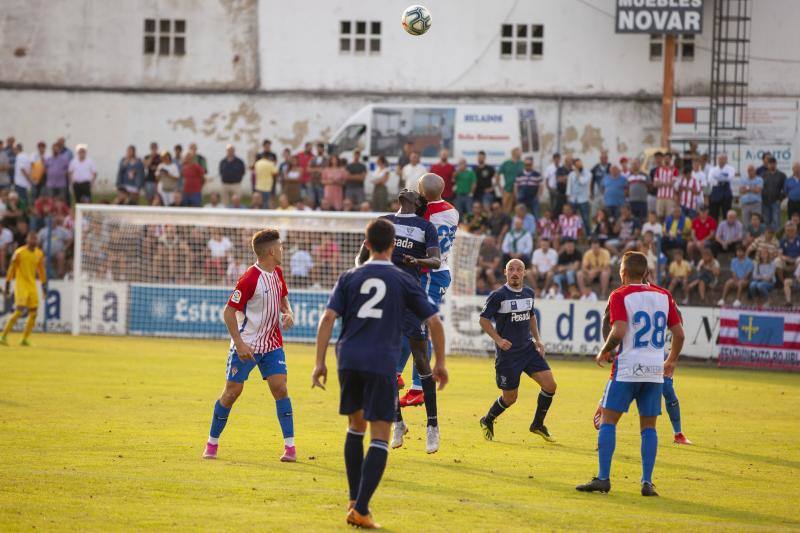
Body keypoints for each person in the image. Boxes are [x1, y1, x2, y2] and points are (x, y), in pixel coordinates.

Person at [312, 218, 446, 529]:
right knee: (381, 436)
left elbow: (328, 318)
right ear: (393, 245)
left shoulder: (349, 276)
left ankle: (352, 500)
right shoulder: (402, 280)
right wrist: (439, 364)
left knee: (355, 428)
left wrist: (319, 362)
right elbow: (435, 323)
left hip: (348, 359)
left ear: (367, 243)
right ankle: (361, 508)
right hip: (381, 361)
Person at [577, 251, 684, 497]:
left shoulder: (620, 294)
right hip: (654, 371)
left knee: (608, 422)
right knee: (649, 428)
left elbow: (619, 329)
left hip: (627, 369)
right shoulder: (664, 296)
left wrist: (604, 351)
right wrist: (671, 361)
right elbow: (679, 334)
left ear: (622, 273)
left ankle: (603, 478)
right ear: (646, 273)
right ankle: (647, 482)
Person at [356, 190, 442, 451]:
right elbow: (361, 258)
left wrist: (418, 260)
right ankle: (397, 422)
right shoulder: (383, 221)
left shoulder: (426, 226)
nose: (406, 190)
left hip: (411, 297)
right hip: (385, 300)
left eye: (412, 191)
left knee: (421, 359)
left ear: (418, 203)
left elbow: (436, 260)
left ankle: (432, 426)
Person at [203, 229, 297, 463]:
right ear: (272, 251)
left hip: (272, 344)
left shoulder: (277, 272)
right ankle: (212, 443)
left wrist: (289, 312)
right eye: (281, 247)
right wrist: (239, 343)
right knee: (232, 392)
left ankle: (290, 448)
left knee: (280, 388)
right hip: (248, 345)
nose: (283, 250)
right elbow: (228, 312)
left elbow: (283, 296)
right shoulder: (249, 279)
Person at [396, 174, 459, 408]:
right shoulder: (452, 211)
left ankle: (418, 387)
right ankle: (397, 373)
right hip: (435, 271)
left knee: (420, 328)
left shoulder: (425, 215)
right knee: (408, 324)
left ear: (422, 192)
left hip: (430, 273)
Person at [478, 258, 557, 442]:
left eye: (519, 269)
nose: (515, 272)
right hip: (508, 355)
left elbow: (531, 316)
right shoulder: (498, 295)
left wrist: (538, 340)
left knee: (550, 385)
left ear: (524, 273)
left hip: (528, 349)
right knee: (510, 398)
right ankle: (487, 419)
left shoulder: (529, 293)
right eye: (511, 269)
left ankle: (537, 424)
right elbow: (483, 319)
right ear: (505, 272)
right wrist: (498, 340)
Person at [1, 232, 46, 346]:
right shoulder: (19, 253)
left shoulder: (39, 254)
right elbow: (11, 270)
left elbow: (41, 272)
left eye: (35, 239)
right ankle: (3, 336)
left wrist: (44, 287)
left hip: (32, 285)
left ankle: (24, 339)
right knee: (19, 310)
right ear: (27, 239)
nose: (34, 241)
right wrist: (7, 285)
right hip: (21, 285)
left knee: (34, 312)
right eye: (32, 238)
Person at [760, 156, 786, 231]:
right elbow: (760, 187)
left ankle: (776, 239)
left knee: (776, 221)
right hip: (765, 202)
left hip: (776, 202)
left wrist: (780, 199)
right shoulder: (763, 175)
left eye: (773, 163)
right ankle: (767, 239)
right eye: (770, 163)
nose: (772, 165)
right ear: (768, 165)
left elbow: (785, 189)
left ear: (776, 164)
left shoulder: (782, 175)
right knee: (766, 221)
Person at [707, 154, 735, 222]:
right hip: (715, 191)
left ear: (726, 160)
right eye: (720, 159)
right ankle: (714, 230)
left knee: (726, 213)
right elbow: (710, 179)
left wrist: (717, 177)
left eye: (723, 159)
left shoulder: (731, 169)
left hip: (726, 192)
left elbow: (729, 178)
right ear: (717, 160)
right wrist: (722, 178)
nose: (721, 161)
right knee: (714, 214)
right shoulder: (713, 169)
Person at [498, 148, 523, 212]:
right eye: (519, 152)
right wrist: (500, 187)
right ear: (514, 153)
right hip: (508, 189)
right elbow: (497, 174)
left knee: (520, 207)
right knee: (505, 208)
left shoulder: (522, 163)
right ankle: (505, 220)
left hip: (519, 189)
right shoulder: (506, 163)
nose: (521, 154)